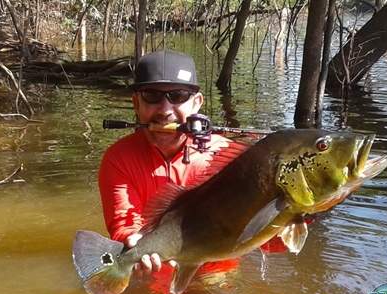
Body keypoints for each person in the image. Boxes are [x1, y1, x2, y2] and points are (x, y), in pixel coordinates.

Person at [98, 50, 291, 281]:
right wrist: (133, 242)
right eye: (151, 95)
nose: (165, 110)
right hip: (149, 270)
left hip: (214, 272)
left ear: (196, 103)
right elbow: (123, 226)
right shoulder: (118, 158)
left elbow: (268, 241)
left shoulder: (230, 159)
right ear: (136, 103)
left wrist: (301, 212)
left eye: (178, 96)